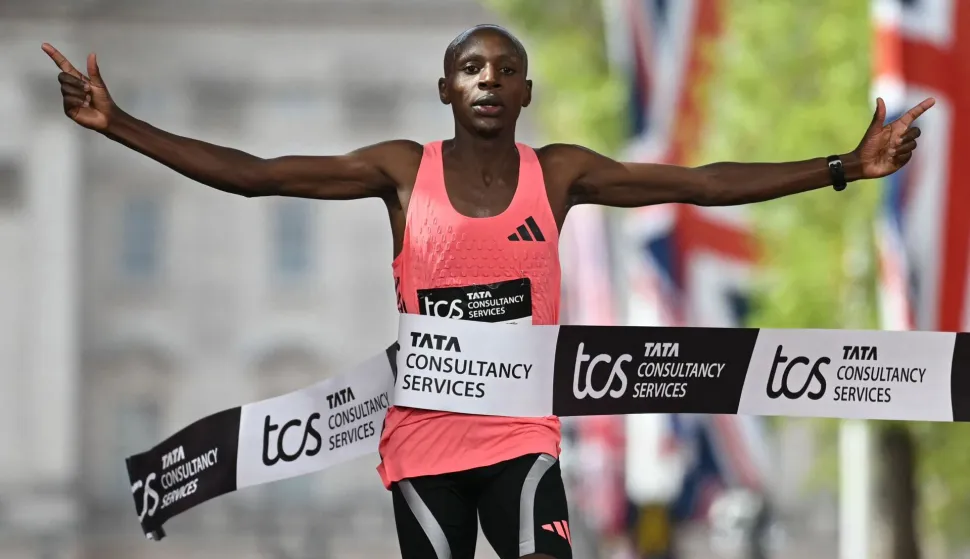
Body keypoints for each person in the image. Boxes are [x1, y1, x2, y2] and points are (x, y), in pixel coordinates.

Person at [42, 23, 932, 559]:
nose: (490, 82)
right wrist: (116, 124)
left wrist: (841, 168)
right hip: (426, 447)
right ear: (444, 87)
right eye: (473, 69)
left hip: (521, 435)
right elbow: (257, 175)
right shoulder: (399, 171)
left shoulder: (562, 173)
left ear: (526, 92)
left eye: (506, 70)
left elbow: (697, 183)